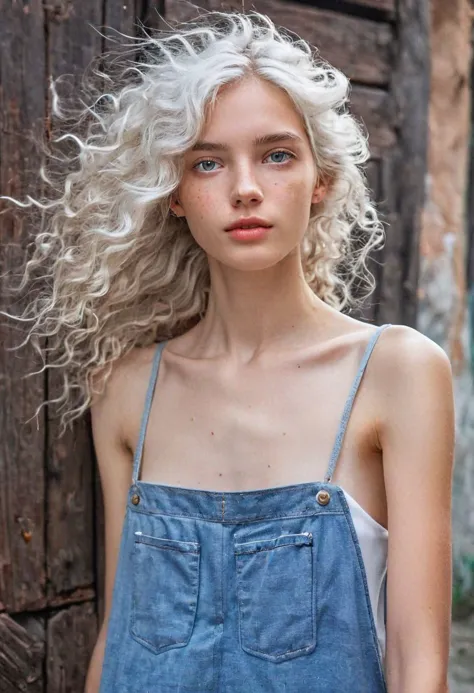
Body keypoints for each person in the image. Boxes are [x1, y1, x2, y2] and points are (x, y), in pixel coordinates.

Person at [1, 9, 454, 693]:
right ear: (176, 194)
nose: (245, 187)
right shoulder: (128, 390)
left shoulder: (396, 373)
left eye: (277, 154)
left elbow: (421, 667)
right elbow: (119, 639)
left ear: (321, 178)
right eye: (207, 162)